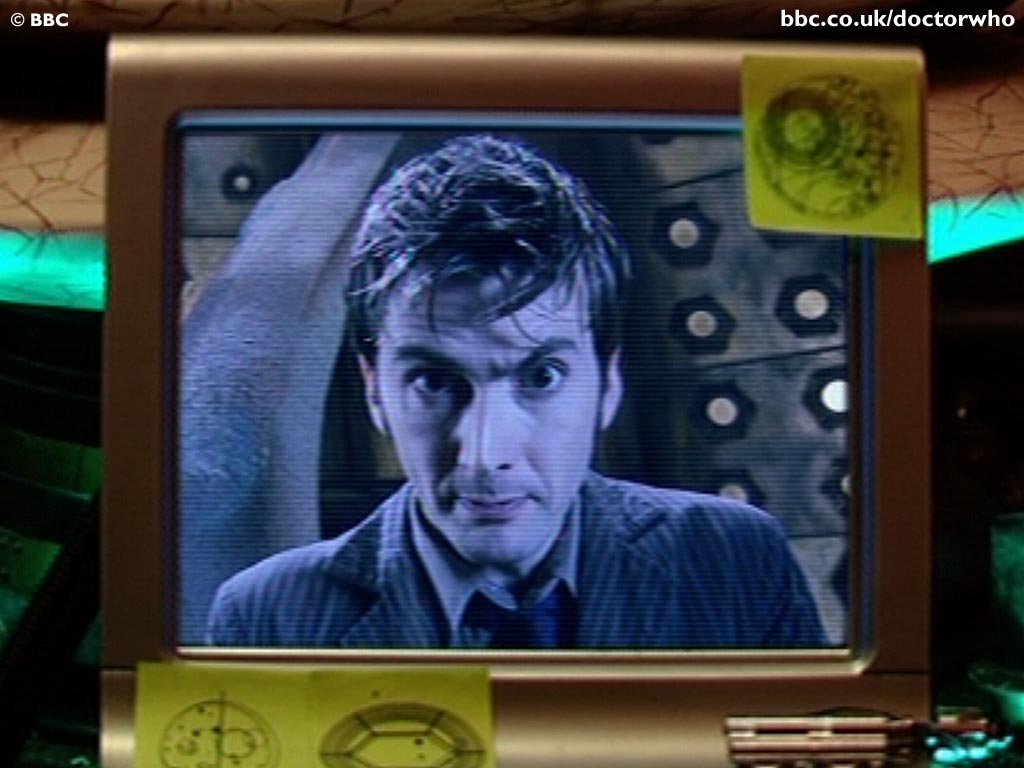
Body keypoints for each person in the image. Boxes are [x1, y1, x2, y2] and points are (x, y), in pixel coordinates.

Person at [197, 133, 826, 649]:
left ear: (608, 383)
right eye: (434, 382)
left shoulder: (736, 559)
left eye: (540, 377)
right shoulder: (266, 615)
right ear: (375, 391)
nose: (484, 455)